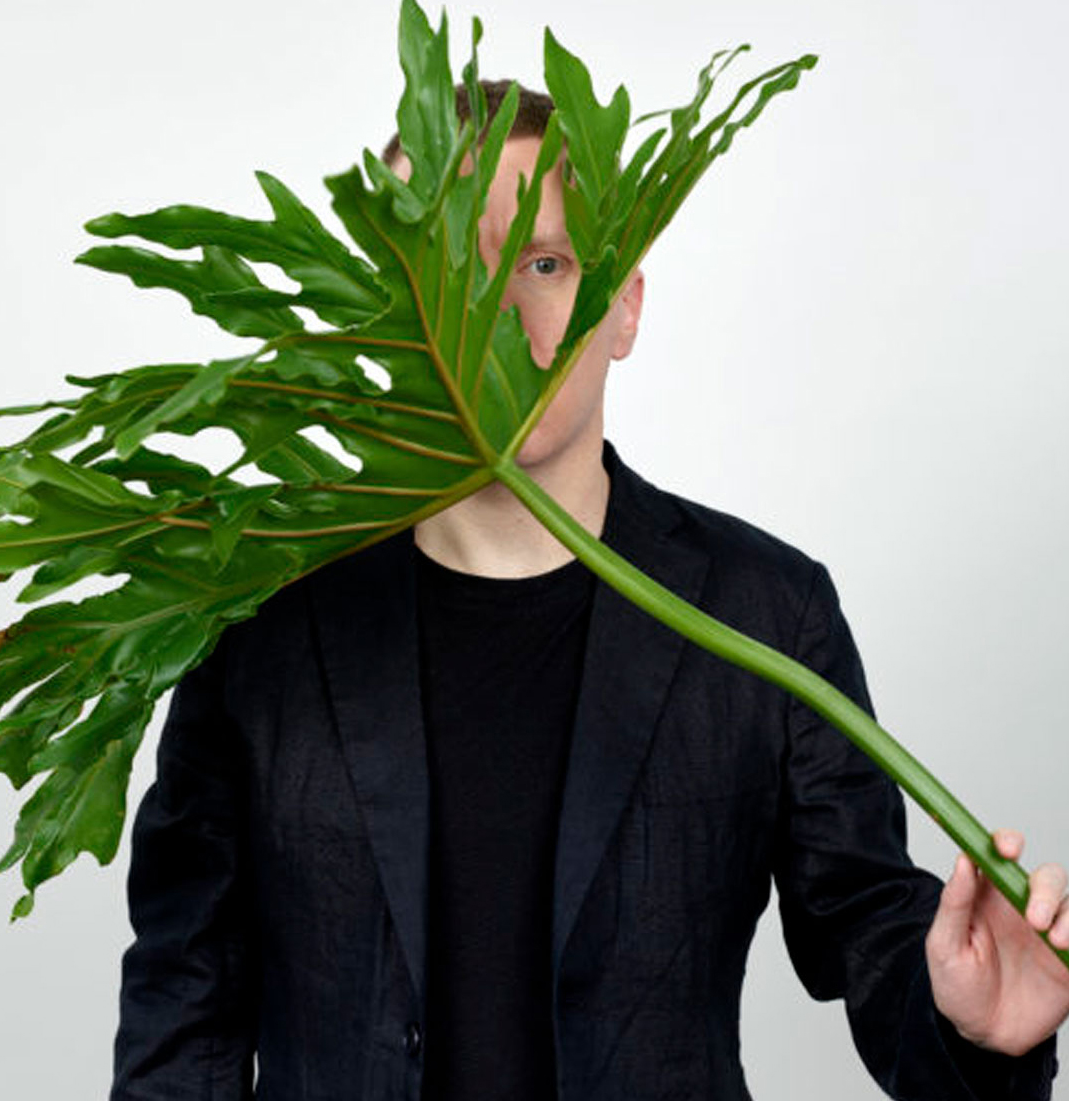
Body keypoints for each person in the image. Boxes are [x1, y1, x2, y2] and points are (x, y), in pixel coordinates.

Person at [111, 81, 1069, 1100]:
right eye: (440, 268)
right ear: (378, 322)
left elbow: (870, 929)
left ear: (623, 307)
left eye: (543, 262)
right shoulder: (262, 619)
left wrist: (983, 1037)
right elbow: (188, 1002)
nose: (493, 314)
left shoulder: (769, 612)